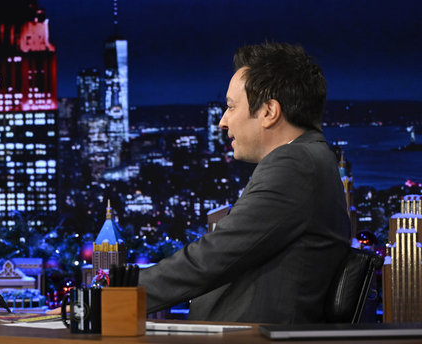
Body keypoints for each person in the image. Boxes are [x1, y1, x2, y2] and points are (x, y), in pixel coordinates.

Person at [139, 42, 351, 323]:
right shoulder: (310, 158)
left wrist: (113, 295)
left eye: (230, 107)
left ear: (269, 112)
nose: (222, 122)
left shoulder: (295, 164)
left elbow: (212, 257)